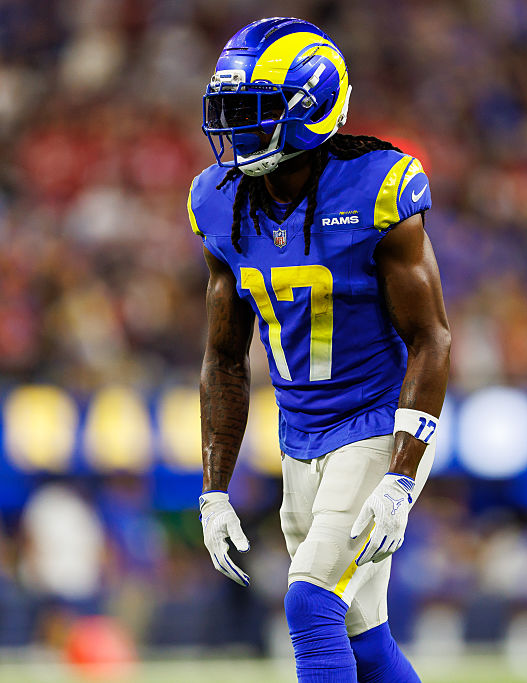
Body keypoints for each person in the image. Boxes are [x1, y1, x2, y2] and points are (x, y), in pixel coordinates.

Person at [187, 17, 450, 682]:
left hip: (374, 424)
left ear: (306, 109)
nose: (234, 129)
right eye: (229, 110)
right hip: (299, 436)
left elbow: (432, 338)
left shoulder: (377, 189)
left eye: (251, 112)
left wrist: (400, 473)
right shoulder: (222, 204)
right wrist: (213, 490)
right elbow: (223, 358)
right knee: (363, 640)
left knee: (308, 601)